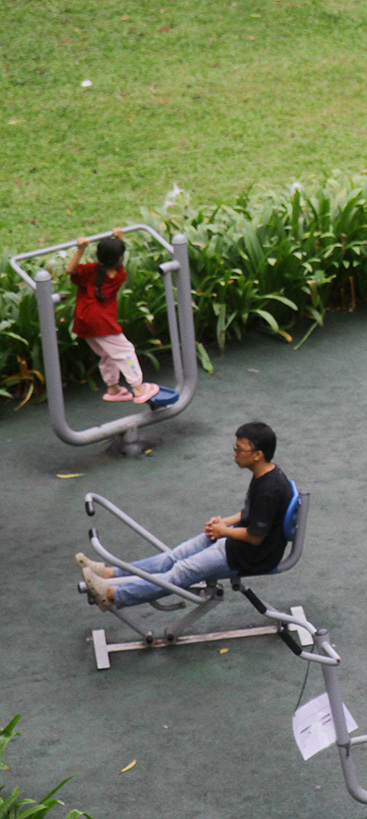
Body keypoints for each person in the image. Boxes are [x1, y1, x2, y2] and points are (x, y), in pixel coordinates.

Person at [76, 422, 294, 611]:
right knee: (172, 558)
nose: (234, 453)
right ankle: (108, 573)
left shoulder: (269, 490)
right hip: (236, 543)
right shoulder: (265, 473)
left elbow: (256, 537)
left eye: (240, 450)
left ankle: (111, 595)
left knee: (178, 573)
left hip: (250, 556)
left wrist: (224, 531)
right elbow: (251, 514)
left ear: (258, 455)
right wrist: (224, 523)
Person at [64, 229, 159, 403]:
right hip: (102, 323)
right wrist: (120, 237)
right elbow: (118, 261)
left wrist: (80, 249)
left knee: (108, 353)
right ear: (120, 259)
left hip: (84, 322)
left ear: (98, 257)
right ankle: (138, 388)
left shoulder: (90, 271)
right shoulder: (120, 275)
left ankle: (113, 388)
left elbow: (70, 270)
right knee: (125, 351)